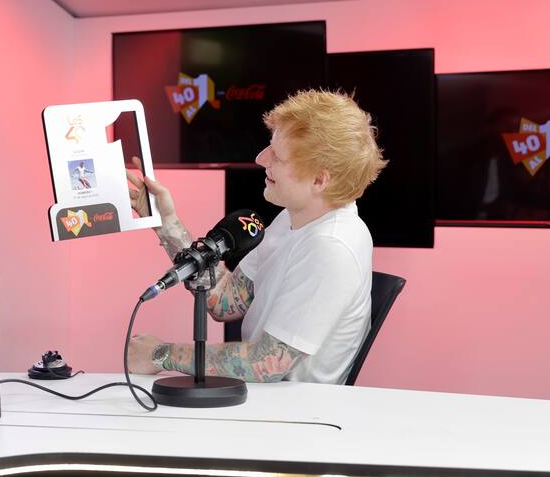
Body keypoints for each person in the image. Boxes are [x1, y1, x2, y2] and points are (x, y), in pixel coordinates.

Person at [127, 89, 387, 384]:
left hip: (294, 409)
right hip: (265, 399)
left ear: (319, 180)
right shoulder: (293, 217)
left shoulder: (331, 247)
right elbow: (225, 300)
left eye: (278, 156)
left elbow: (266, 363)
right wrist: (166, 223)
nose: (261, 159)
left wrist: (161, 355)